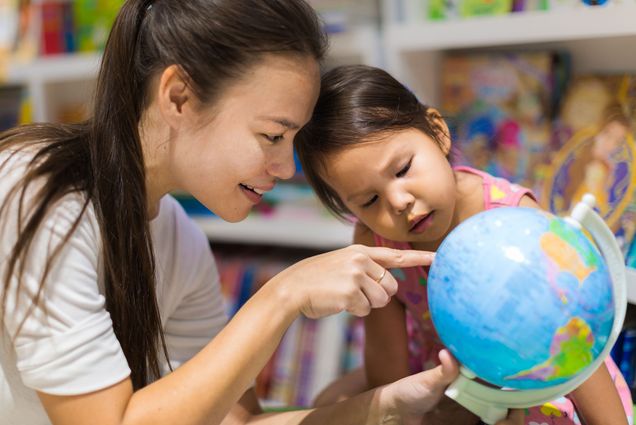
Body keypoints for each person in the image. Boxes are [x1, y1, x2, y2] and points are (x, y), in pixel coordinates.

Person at [0, 1, 527, 424]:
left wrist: (388, 405)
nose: (284, 167)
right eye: (273, 135)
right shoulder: (38, 192)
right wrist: (282, 295)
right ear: (179, 97)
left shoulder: (179, 238)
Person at [295, 64, 633, 425]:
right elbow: (387, 374)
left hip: (542, 374)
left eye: (403, 169)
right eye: (368, 201)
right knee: (332, 401)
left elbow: (573, 348)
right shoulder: (374, 239)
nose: (398, 201)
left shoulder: (512, 216)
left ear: (439, 132)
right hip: (449, 379)